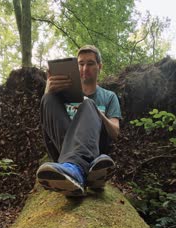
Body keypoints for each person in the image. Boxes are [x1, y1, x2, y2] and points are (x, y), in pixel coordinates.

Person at [36, 45, 122, 196]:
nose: (84, 68)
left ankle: (77, 170)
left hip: (95, 149)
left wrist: (96, 111)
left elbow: (115, 132)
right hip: (63, 148)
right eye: (80, 64)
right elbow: (49, 124)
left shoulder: (109, 97)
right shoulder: (63, 94)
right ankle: (80, 170)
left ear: (99, 66)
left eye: (90, 63)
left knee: (89, 103)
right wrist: (47, 92)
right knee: (47, 98)